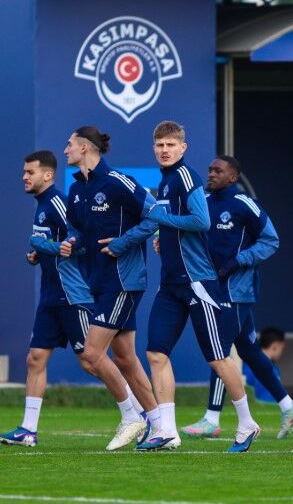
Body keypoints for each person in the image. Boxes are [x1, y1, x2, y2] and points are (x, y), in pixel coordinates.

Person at [139, 121, 258, 453]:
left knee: (218, 358)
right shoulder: (166, 180)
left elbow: (201, 221)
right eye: (160, 144)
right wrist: (163, 238)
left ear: (183, 147)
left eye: (170, 145)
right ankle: (167, 431)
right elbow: (178, 224)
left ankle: (247, 423)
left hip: (197, 282)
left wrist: (161, 221)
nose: (164, 150)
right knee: (156, 353)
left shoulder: (185, 177)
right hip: (171, 283)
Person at [180, 155, 293, 440]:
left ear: (233, 177)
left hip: (236, 290)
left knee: (219, 351)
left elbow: (271, 240)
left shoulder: (244, 204)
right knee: (248, 351)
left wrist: (239, 261)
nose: (211, 174)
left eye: (218, 171)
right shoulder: (203, 202)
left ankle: (212, 418)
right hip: (212, 288)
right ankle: (288, 405)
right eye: (210, 169)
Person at [60, 127, 162, 451]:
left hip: (123, 280)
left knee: (91, 354)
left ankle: (131, 416)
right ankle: (161, 427)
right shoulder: (76, 189)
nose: (65, 150)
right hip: (99, 281)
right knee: (125, 358)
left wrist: (124, 242)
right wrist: (72, 241)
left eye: (69, 144)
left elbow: (156, 215)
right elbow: (75, 227)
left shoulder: (118, 181)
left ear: (85, 148)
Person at [0, 151, 98, 447]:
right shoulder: (41, 205)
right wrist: (36, 252)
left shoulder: (58, 202)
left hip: (72, 294)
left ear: (48, 175)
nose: (24, 177)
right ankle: (28, 430)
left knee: (91, 361)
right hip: (50, 296)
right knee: (35, 359)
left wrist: (46, 247)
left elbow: (82, 243)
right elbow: (51, 243)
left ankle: (139, 414)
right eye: (24, 172)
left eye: (30, 172)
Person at [242, 327, 287, 402]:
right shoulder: (248, 367)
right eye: (282, 348)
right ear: (275, 345)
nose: (281, 352)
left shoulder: (275, 369)